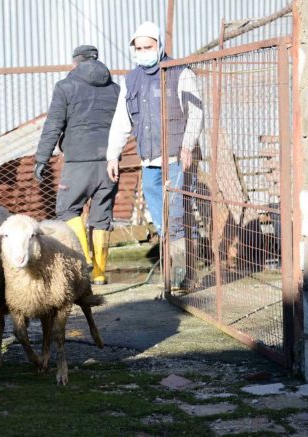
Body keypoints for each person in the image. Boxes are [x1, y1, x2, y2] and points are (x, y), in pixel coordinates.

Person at [106, 21, 203, 288]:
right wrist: (113, 155)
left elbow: (196, 112)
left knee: (178, 216)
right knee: (161, 221)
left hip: (177, 158)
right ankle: (176, 273)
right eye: (138, 48)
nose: (143, 52)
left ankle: (185, 277)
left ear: (159, 46)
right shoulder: (130, 80)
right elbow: (121, 121)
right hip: (149, 161)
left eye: (148, 47)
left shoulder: (180, 72)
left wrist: (188, 145)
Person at [34, 45, 120, 285]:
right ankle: (99, 274)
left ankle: (84, 260)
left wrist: (42, 158)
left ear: (75, 62)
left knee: (68, 210)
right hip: (109, 162)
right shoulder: (115, 89)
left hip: (78, 163)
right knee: (101, 218)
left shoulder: (65, 87)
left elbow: (53, 125)